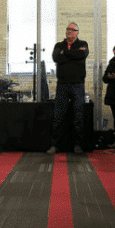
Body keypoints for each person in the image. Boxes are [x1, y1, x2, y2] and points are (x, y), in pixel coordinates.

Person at [47, 22, 89, 155]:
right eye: (67, 29)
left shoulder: (83, 44)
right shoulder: (59, 45)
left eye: (72, 29)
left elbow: (82, 55)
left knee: (78, 115)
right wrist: (72, 55)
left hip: (77, 84)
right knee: (58, 115)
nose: (69, 31)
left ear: (77, 32)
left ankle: (77, 144)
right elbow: (56, 57)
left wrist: (65, 53)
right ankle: (55, 145)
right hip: (62, 85)